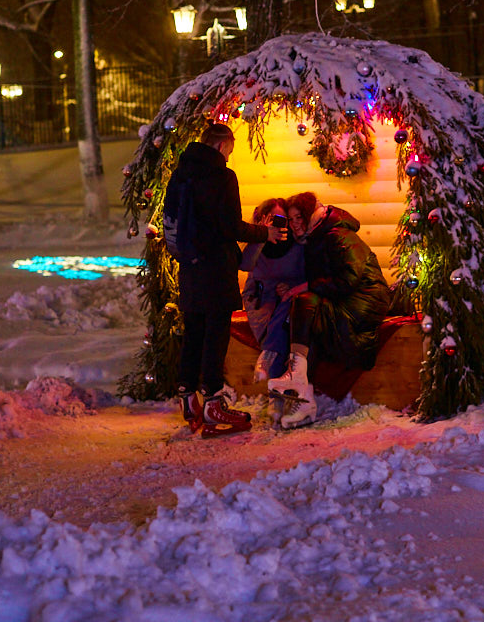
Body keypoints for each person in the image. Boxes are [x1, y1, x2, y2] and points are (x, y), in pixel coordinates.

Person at [165, 123, 286, 436]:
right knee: (216, 335)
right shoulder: (222, 176)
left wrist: (184, 256)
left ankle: (188, 397)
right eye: (230, 150)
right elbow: (231, 227)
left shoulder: (181, 174)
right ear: (222, 146)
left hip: (190, 268)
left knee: (193, 331)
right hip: (216, 269)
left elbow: (170, 220)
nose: (230, 156)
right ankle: (213, 404)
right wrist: (265, 232)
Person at [268, 191, 391, 429]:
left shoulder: (337, 234)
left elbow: (348, 279)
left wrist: (305, 287)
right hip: (348, 299)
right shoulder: (315, 237)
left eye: (298, 218)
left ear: (309, 215)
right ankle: (300, 393)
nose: (294, 224)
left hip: (365, 301)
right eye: (290, 220)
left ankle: (299, 387)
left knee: (305, 302)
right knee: (306, 312)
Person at [240, 198, 307, 385]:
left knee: (285, 327)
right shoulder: (257, 246)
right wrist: (262, 235)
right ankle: (275, 396)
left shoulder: (297, 244)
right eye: (274, 218)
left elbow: (307, 276)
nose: (279, 224)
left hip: (290, 301)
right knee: (276, 328)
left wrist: (290, 286)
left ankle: (270, 362)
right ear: (262, 218)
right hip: (265, 303)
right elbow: (246, 267)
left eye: (283, 219)